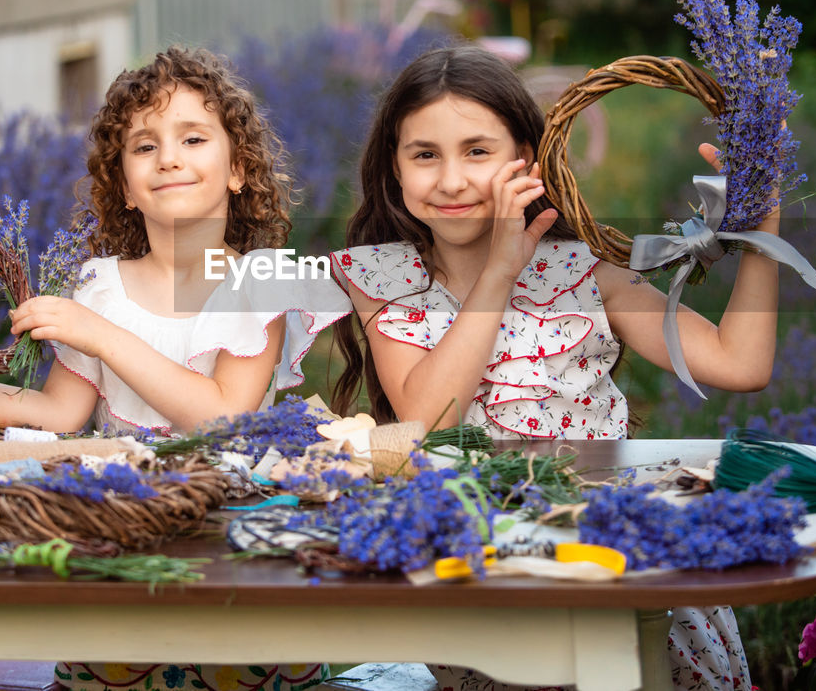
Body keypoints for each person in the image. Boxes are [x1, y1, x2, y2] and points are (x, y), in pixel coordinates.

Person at [0, 46, 348, 691]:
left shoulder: (257, 282)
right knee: (114, 670)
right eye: (144, 147)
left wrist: (102, 336)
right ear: (123, 183)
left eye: (194, 138)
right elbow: (52, 413)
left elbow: (222, 416)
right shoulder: (98, 286)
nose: (169, 157)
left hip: (226, 538)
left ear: (237, 169)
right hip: (118, 531)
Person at [330, 45, 775, 691]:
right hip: (478, 578)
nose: (451, 179)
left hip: (611, 561)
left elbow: (740, 362)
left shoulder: (587, 270)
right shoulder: (383, 275)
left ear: (526, 161)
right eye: (424, 154)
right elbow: (426, 416)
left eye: (477, 151)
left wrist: (763, 228)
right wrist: (502, 269)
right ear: (394, 166)